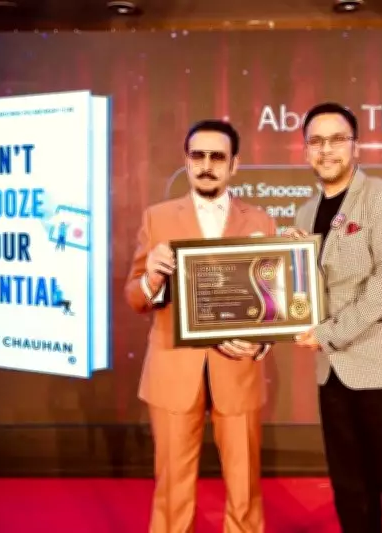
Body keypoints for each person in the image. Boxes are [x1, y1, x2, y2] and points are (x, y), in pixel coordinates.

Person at [124, 119, 275, 533]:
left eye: (217, 157)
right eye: (198, 156)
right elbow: (134, 297)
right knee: (172, 487)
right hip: (173, 368)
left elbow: (273, 303)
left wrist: (261, 342)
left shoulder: (261, 221)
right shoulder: (157, 218)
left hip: (238, 369)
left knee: (244, 486)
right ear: (187, 161)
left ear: (234, 164)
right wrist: (151, 278)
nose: (207, 165)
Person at [285, 102, 382, 532]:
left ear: (355, 147)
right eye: (316, 141)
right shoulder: (304, 213)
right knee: (349, 489)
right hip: (333, 372)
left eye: (336, 140)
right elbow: (308, 290)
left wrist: (330, 332)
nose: (326, 150)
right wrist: (286, 263)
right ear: (306, 150)